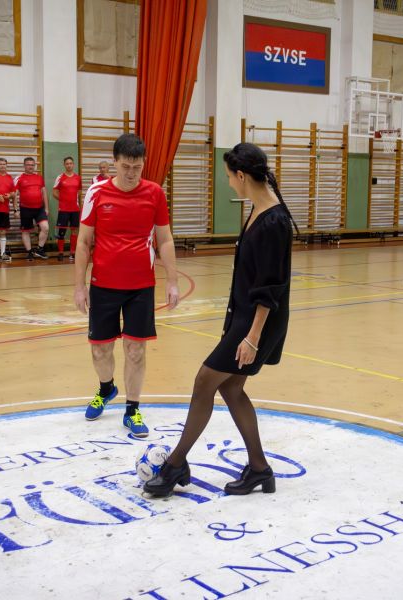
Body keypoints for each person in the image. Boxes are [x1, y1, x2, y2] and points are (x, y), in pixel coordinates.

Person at [144, 142, 296, 497]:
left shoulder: (273, 220)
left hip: (257, 321)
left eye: (230, 177)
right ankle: (260, 469)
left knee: (204, 381)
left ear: (242, 175)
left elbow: (269, 288)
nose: (229, 183)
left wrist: (252, 336)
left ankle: (175, 465)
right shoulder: (259, 210)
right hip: (244, 317)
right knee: (229, 386)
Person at [74, 134, 179, 437]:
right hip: (103, 284)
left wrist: (172, 281)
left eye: (137, 167)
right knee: (101, 351)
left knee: (136, 350)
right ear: (114, 163)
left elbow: (165, 239)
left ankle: (132, 409)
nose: (131, 173)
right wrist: (79, 287)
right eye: (125, 167)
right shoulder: (96, 193)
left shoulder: (155, 193)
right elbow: (83, 242)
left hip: (140, 286)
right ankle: (106, 388)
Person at [14, 157, 49, 260]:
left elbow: (44, 193)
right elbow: (14, 195)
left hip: (39, 208)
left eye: (32, 165)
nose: (30, 167)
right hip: (25, 209)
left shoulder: (39, 177)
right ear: (24, 166)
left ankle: (39, 249)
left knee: (45, 228)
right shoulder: (19, 178)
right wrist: (16, 210)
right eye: (28, 165)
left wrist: (46, 208)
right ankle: (29, 252)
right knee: (26, 231)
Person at [52, 156, 81, 262]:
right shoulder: (60, 177)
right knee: (62, 232)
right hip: (63, 209)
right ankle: (60, 253)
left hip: (75, 209)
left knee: (74, 231)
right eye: (67, 163)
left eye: (71, 163)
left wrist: (76, 202)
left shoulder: (78, 178)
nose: (69, 165)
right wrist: (63, 200)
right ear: (64, 165)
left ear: (73, 165)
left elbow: (79, 192)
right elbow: (54, 192)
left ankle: (72, 252)